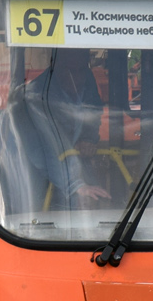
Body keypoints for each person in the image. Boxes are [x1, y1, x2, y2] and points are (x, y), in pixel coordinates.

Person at [23, 48, 111, 206]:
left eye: (81, 70)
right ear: (55, 68)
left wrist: (87, 139)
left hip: (68, 158)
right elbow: (47, 146)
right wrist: (75, 185)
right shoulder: (36, 96)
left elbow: (93, 112)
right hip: (33, 169)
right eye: (69, 70)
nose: (76, 78)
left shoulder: (86, 77)